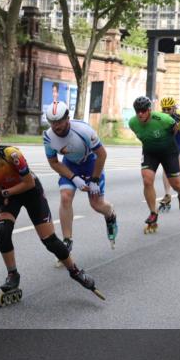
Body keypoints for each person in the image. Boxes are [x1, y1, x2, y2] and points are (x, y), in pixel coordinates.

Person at [0, 119, 103, 305]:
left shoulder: (13, 154)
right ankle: (13, 275)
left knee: (49, 241)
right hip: (11, 194)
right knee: (2, 233)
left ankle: (75, 271)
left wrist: (5, 192)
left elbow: (29, 183)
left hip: (31, 192)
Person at [42, 101, 118, 251]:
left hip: (91, 164)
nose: (56, 126)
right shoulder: (48, 137)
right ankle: (67, 241)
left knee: (96, 204)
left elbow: (102, 154)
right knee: (65, 197)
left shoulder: (84, 130)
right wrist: (73, 178)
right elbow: (53, 162)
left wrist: (95, 179)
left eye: (59, 122)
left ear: (67, 118)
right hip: (70, 165)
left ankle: (110, 214)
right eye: (52, 122)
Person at [128, 96, 180, 233]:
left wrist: (166, 140)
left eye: (143, 111)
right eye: (137, 111)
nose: (140, 114)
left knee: (176, 184)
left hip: (168, 151)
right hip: (150, 152)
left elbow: (176, 131)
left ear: (149, 110)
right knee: (147, 179)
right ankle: (153, 213)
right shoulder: (132, 123)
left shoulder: (164, 119)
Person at [157, 96, 180, 213]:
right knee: (166, 168)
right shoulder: (160, 117)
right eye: (164, 109)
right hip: (169, 141)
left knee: (177, 168)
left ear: (174, 108)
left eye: (169, 109)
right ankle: (167, 195)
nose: (166, 112)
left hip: (179, 141)